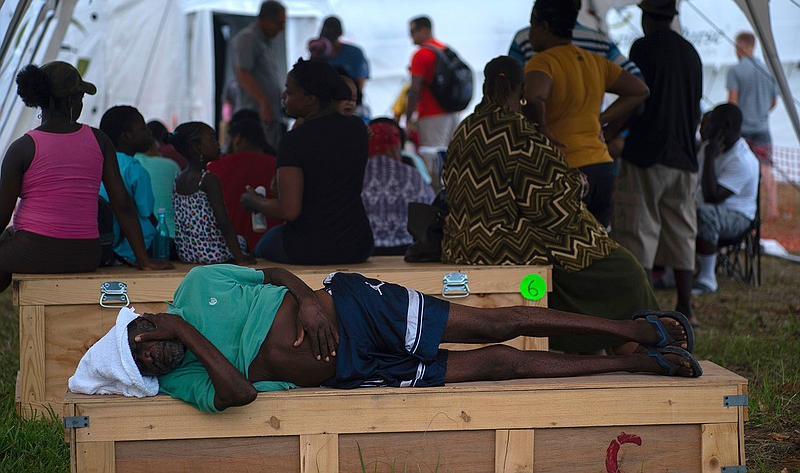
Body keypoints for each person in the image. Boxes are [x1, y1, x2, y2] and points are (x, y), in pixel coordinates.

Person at [69, 264, 700, 413]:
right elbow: (240, 396)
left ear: (142, 321)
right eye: (144, 364)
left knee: (496, 321)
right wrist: (184, 337)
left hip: (352, 312)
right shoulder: (181, 377)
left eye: (144, 343)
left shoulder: (199, 282)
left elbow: (265, 269)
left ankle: (631, 326)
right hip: (356, 369)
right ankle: (644, 362)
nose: (154, 357)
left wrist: (309, 297)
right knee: (495, 366)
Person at [442, 56, 659, 354]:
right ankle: (645, 340)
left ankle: (614, 343)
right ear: (521, 91)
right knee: (625, 272)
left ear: (484, 87)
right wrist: (578, 184)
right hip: (507, 247)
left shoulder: (465, 129)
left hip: (463, 243)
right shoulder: (519, 132)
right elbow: (547, 207)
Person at [0, 62, 170, 291]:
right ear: (71, 101)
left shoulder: (22, 147)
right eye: (80, 97)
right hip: (87, 254)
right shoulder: (99, 141)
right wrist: (144, 261)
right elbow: (122, 204)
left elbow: (2, 214)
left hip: (35, 250)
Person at [611, 0, 703, 326]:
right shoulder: (691, 52)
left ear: (648, 16)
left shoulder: (643, 47)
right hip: (684, 157)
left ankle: (645, 307)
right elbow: (694, 108)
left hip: (647, 152)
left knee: (639, 230)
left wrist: (612, 132)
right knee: (682, 231)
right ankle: (686, 308)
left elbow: (636, 100)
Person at [524, 0, 649, 227]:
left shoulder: (542, 62)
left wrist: (542, 129)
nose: (529, 33)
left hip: (566, 170)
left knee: (562, 252)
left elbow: (532, 97)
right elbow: (639, 90)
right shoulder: (595, 62)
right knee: (597, 249)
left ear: (544, 26)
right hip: (601, 167)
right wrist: (601, 120)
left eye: (531, 25)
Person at [241, 59, 373, 264]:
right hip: (357, 244)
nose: (283, 96)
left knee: (260, 249)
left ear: (310, 98)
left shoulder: (294, 141)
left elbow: (289, 210)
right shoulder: (357, 128)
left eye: (290, 91)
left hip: (310, 247)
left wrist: (253, 201)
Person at [508, 0, 641, 79]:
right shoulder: (599, 41)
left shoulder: (526, 39)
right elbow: (636, 79)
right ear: (579, 4)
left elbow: (509, 83)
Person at [163, 122, 254, 265]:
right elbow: (223, 221)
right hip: (212, 254)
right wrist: (239, 258)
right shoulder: (208, 179)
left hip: (186, 253)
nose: (218, 144)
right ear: (196, 148)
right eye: (212, 139)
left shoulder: (178, 178)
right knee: (242, 241)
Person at [693, 104, 759, 295]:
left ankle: (707, 278)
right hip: (704, 207)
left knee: (705, 214)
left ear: (726, 127)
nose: (706, 128)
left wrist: (710, 159)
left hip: (738, 217)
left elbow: (711, 196)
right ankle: (673, 270)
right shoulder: (707, 147)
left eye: (711, 123)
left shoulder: (743, 160)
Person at [362, 118, 435, 255]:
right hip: (404, 249)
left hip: (365, 251)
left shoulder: (356, 173)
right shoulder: (412, 175)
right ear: (396, 147)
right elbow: (430, 210)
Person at [726, 31, 779, 220]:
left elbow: (732, 102)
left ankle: (741, 204)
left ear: (742, 46)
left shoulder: (735, 71)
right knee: (766, 169)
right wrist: (761, 112)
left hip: (743, 130)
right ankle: (773, 209)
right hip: (763, 129)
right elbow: (774, 101)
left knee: (739, 166)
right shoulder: (767, 69)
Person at [207, 116, 279, 252]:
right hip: (272, 245)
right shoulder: (278, 166)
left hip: (228, 248)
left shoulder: (214, 168)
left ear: (237, 138)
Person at [99, 105, 159, 264]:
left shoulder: (100, 161)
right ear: (126, 137)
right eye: (142, 128)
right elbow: (146, 210)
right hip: (127, 250)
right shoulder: (134, 168)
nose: (149, 132)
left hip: (103, 241)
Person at [405, 16, 460, 188]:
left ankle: (438, 205)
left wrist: (408, 118)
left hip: (431, 115)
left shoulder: (421, 54)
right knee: (452, 159)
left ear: (424, 29)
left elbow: (415, 90)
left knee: (432, 163)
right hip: (452, 113)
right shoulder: (445, 49)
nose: (410, 36)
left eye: (413, 31)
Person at [232, 0, 287, 153]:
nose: (282, 28)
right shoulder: (247, 39)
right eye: (279, 23)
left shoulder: (266, 42)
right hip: (254, 115)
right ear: (265, 20)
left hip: (270, 114)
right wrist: (263, 101)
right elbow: (243, 73)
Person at [135, 137, 181, 246]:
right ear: (150, 149)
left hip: (137, 242)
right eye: (159, 150)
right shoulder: (170, 165)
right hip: (174, 237)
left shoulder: (119, 165)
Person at [316, 16, 370, 93]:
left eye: (332, 33)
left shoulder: (354, 53)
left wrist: (354, 100)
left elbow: (360, 81)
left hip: (347, 96)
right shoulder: (319, 52)